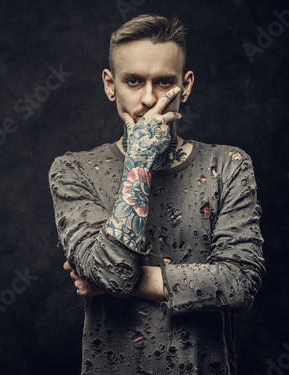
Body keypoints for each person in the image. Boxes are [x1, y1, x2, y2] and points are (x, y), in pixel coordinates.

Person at [48, 14, 265, 375]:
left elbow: (239, 284)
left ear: (187, 85)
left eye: (164, 82)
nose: (149, 98)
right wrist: (139, 162)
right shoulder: (73, 171)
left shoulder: (228, 165)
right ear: (109, 84)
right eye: (133, 81)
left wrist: (132, 280)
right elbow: (111, 275)